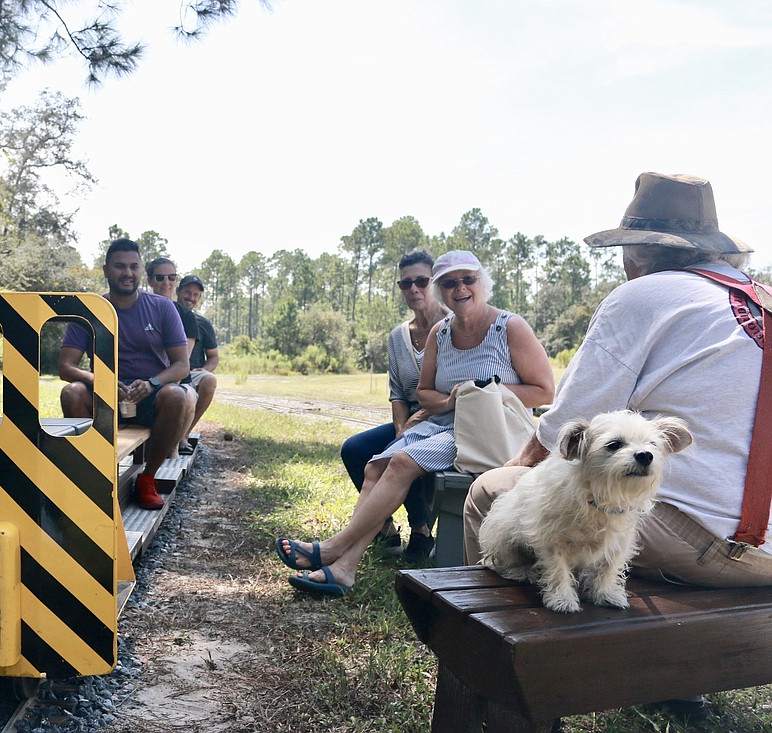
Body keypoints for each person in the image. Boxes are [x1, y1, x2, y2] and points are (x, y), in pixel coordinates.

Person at [464, 172, 771, 588]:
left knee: (492, 491)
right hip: (765, 554)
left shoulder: (644, 295)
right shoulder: (763, 298)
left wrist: (515, 465)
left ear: (635, 254)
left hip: (711, 546)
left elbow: (563, 428)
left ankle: (493, 623)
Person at [275, 250, 554, 596]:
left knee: (401, 462)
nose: (460, 288)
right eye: (449, 283)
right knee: (375, 466)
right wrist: (451, 400)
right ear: (441, 291)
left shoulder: (509, 327)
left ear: (482, 282)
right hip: (442, 424)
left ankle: (333, 549)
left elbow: (545, 391)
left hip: (486, 430)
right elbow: (424, 393)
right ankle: (344, 569)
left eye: (468, 279)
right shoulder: (441, 332)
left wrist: (485, 391)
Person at [59, 238, 195, 510]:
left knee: (177, 396)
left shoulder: (162, 307)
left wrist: (153, 383)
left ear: (140, 271)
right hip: (104, 397)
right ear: (106, 270)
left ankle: (147, 478)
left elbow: (182, 365)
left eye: (134, 266)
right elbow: (66, 367)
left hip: (150, 397)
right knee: (71, 392)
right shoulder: (89, 311)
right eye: (120, 266)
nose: (128, 273)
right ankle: (95, 475)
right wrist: (100, 381)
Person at [339, 251, 448, 562]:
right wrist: (401, 428)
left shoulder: (453, 326)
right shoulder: (397, 338)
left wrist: (411, 428)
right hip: (410, 417)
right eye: (405, 283)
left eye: (421, 281)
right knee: (354, 449)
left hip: (444, 418)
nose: (413, 289)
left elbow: (453, 388)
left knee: (401, 452)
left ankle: (421, 530)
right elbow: (398, 392)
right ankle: (385, 528)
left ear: (434, 282)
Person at [146, 257, 199, 452]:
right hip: (145, 378)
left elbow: (182, 361)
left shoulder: (186, 315)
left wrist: (159, 384)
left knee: (186, 397)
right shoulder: (141, 309)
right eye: (160, 278)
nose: (166, 282)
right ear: (150, 280)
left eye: (172, 277)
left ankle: (173, 447)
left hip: (175, 379)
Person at [176, 274, 219, 441]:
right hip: (168, 370)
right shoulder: (166, 314)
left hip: (192, 372)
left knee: (210, 380)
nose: (191, 298)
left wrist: (204, 369)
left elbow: (214, 356)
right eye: (187, 292)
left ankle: (184, 433)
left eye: (196, 295)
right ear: (178, 291)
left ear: (199, 298)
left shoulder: (203, 323)